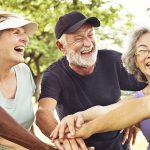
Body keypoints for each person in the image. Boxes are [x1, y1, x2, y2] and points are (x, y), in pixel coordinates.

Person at [36, 11, 146, 150]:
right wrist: (64, 140)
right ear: (61, 46)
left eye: (90, 34)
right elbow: (43, 113)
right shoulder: (54, 75)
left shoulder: (112, 60)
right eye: (78, 38)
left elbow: (147, 84)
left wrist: (134, 114)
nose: (88, 43)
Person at [0, 11, 54, 150]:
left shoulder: (24, 72)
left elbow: (26, 132)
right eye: (16, 32)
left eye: (24, 33)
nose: (25, 39)